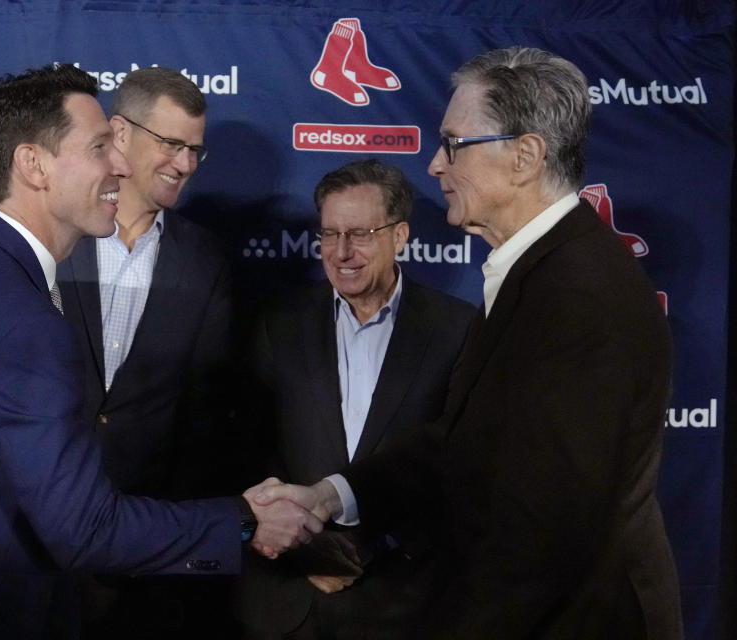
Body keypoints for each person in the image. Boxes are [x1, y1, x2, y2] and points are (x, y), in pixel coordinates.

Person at [0, 63, 319, 639]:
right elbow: (83, 531)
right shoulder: (30, 325)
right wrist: (242, 518)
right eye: (99, 147)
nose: (121, 163)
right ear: (33, 165)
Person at [253, 47, 683, 639]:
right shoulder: (537, 273)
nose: (434, 165)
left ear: (525, 157)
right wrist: (331, 495)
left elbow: (547, 528)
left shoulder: (579, 293)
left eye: (454, 144)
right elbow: (463, 442)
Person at [235, 159, 475, 639]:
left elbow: (461, 464)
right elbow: (243, 452)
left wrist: (369, 547)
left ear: (400, 235)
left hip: (405, 604)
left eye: (360, 233)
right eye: (329, 234)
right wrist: (307, 551)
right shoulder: (277, 323)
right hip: (291, 603)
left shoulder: (459, 330)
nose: (341, 252)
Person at [56, 66, 237, 637]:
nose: (184, 164)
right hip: (38, 543)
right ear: (120, 133)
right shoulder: (54, 239)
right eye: (172, 144)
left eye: (195, 151)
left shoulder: (209, 261)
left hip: (149, 563)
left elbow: (208, 415)